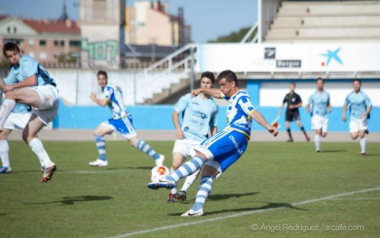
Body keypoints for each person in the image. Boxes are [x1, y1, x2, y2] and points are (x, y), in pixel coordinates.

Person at [147, 70, 278, 216]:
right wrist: (203, 89)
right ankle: (197, 208)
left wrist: (268, 126)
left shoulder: (241, 97)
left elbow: (253, 112)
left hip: (234, 132)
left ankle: (171, 179)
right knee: (209, 171)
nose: (221, 88)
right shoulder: (232, 96)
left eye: (223, 85)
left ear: (233, 84)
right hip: (241, 145)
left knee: (201, 153)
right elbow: (217, 93)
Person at [0, 42, 59, 182]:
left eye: (15, 54)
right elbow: (5, 87)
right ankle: (47, 163)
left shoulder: (26, 60)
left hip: (48, 91)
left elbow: (32, 80)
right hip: (48, 106)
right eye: (10, 56)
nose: (13, 58)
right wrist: (7, 86)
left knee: (11, 95)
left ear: (19, 52)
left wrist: (12, 87)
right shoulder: (14, 70)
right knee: (27, 135)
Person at [89, 70, 164, 167]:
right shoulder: (107, 88)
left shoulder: (108, 89)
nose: (101, 81)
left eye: (103, 79)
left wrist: (95, 99)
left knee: (134, 142)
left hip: (123, 118)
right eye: (99, 79)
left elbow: (103, 103)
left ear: (106, 79)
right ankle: (103, 159)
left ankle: (158, 157)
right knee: (98, 132)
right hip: (116, 119)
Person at [168, 71, 219, 203]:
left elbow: (213, 126)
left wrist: (215, 141)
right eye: (203, 82)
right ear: (200, 83)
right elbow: (175, 113)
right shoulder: (189, 97)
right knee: (175, 164)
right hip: (184, 138)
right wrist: (178, 129)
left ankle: (183, 190)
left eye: (208, 83)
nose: (205, 85)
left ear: (212, 85)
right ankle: (172, 192)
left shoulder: (214, 106)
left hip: (200, 141)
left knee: (196, 167)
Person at [0, 92, 33, 173]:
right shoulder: (4, 83)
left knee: (32, 135)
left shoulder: (24, 81)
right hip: (8, 114)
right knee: (2, 136)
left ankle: (45, 163)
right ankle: (6, 166)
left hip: (23, 113)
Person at [342, 79, 372, 156]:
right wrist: (344, 114)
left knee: (361, 135)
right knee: (353, 137)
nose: (356, 86)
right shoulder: (349, 95)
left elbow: (369, 107)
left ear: (360, 85)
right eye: (354, 84)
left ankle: (363, 151)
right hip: (353, 119)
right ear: (352, 85)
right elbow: (345, 105)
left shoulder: (364, 96)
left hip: (362, 118)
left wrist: (364, 114)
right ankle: (363, 131)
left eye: (357, 84)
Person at [306, 78, 331, 152]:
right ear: (316, 84)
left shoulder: (327, 94)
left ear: (323, 84)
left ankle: (318, 145)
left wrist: (329, 107)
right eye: (318, 83)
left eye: (321, 83)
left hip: (324, 116)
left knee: (323, 134)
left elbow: (328, 103)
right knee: (318, 131)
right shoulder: (313, 94)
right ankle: (318, 149)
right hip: (316, 115)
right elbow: (308, 103)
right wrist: (307, 108)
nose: (320, 84)